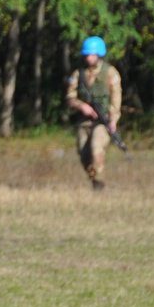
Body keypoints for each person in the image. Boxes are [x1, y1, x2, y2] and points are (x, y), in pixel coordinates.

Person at [65, 36, 122, 191]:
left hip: (102, 122)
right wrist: (81, 106)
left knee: (96, 148)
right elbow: (70, 97)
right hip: (84, 121)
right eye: (86, 55)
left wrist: (113, 120)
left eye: (91, 54)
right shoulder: (79, 74)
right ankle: (95, 179)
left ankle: (99, 184)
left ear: (99, 54)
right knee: (84, 155)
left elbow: (116, 100)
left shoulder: (110, 73)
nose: (88, 57)